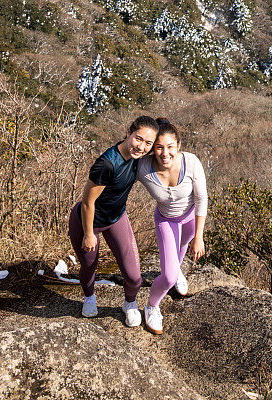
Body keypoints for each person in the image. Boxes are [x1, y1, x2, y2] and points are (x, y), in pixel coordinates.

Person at [68, 115, 159, 325]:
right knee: (89, 265)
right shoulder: (107, 164)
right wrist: (89, 234)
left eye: (148, 143)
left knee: (134, 276)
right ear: (128, 133)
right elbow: (87, 203)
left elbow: (162, 143)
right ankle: (89, 296)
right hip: (88, 220)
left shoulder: (139, 158)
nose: (141, 147)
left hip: (117, 217)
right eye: (138, 139)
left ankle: (129, 302)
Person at [137, 118, 208, 335]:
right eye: (159, 147)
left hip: (188, 218)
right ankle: (151, 306)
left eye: (170, 147)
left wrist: (199, 236)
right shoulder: (143, 167)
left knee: (184, 243)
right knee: (167, 276)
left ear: (179, 146)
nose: (164, 153)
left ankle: (178, 271)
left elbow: (201, 198)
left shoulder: (191, 162)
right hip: (166, 220)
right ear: (152, 149)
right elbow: (119, 170)